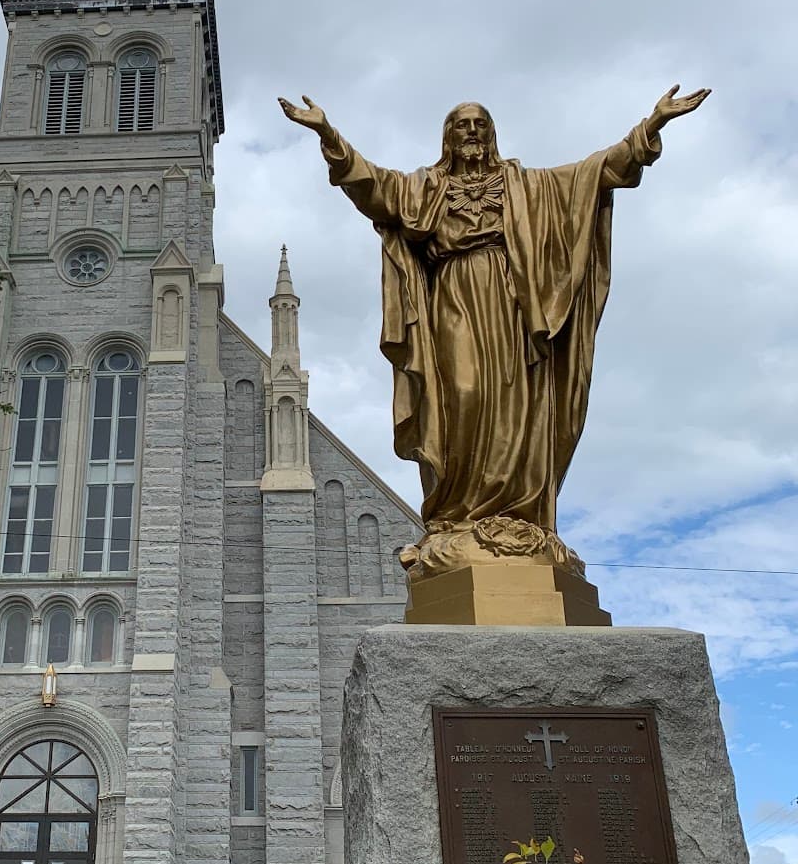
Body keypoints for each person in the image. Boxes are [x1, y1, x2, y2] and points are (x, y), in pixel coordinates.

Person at [277, 86, 709, 573]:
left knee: (517, 405)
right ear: (448, 136)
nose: (472, 132)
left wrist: (651, 126)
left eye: (480, 124)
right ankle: (457, 517)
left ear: (492, 133)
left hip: (512, 303)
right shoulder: (426, 187)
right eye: (462, 124)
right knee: (464, 394)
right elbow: (372, 185)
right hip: (455, 297)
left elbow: (597, 173)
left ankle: (516, 517)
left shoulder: (522, 184)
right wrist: (327, 133)